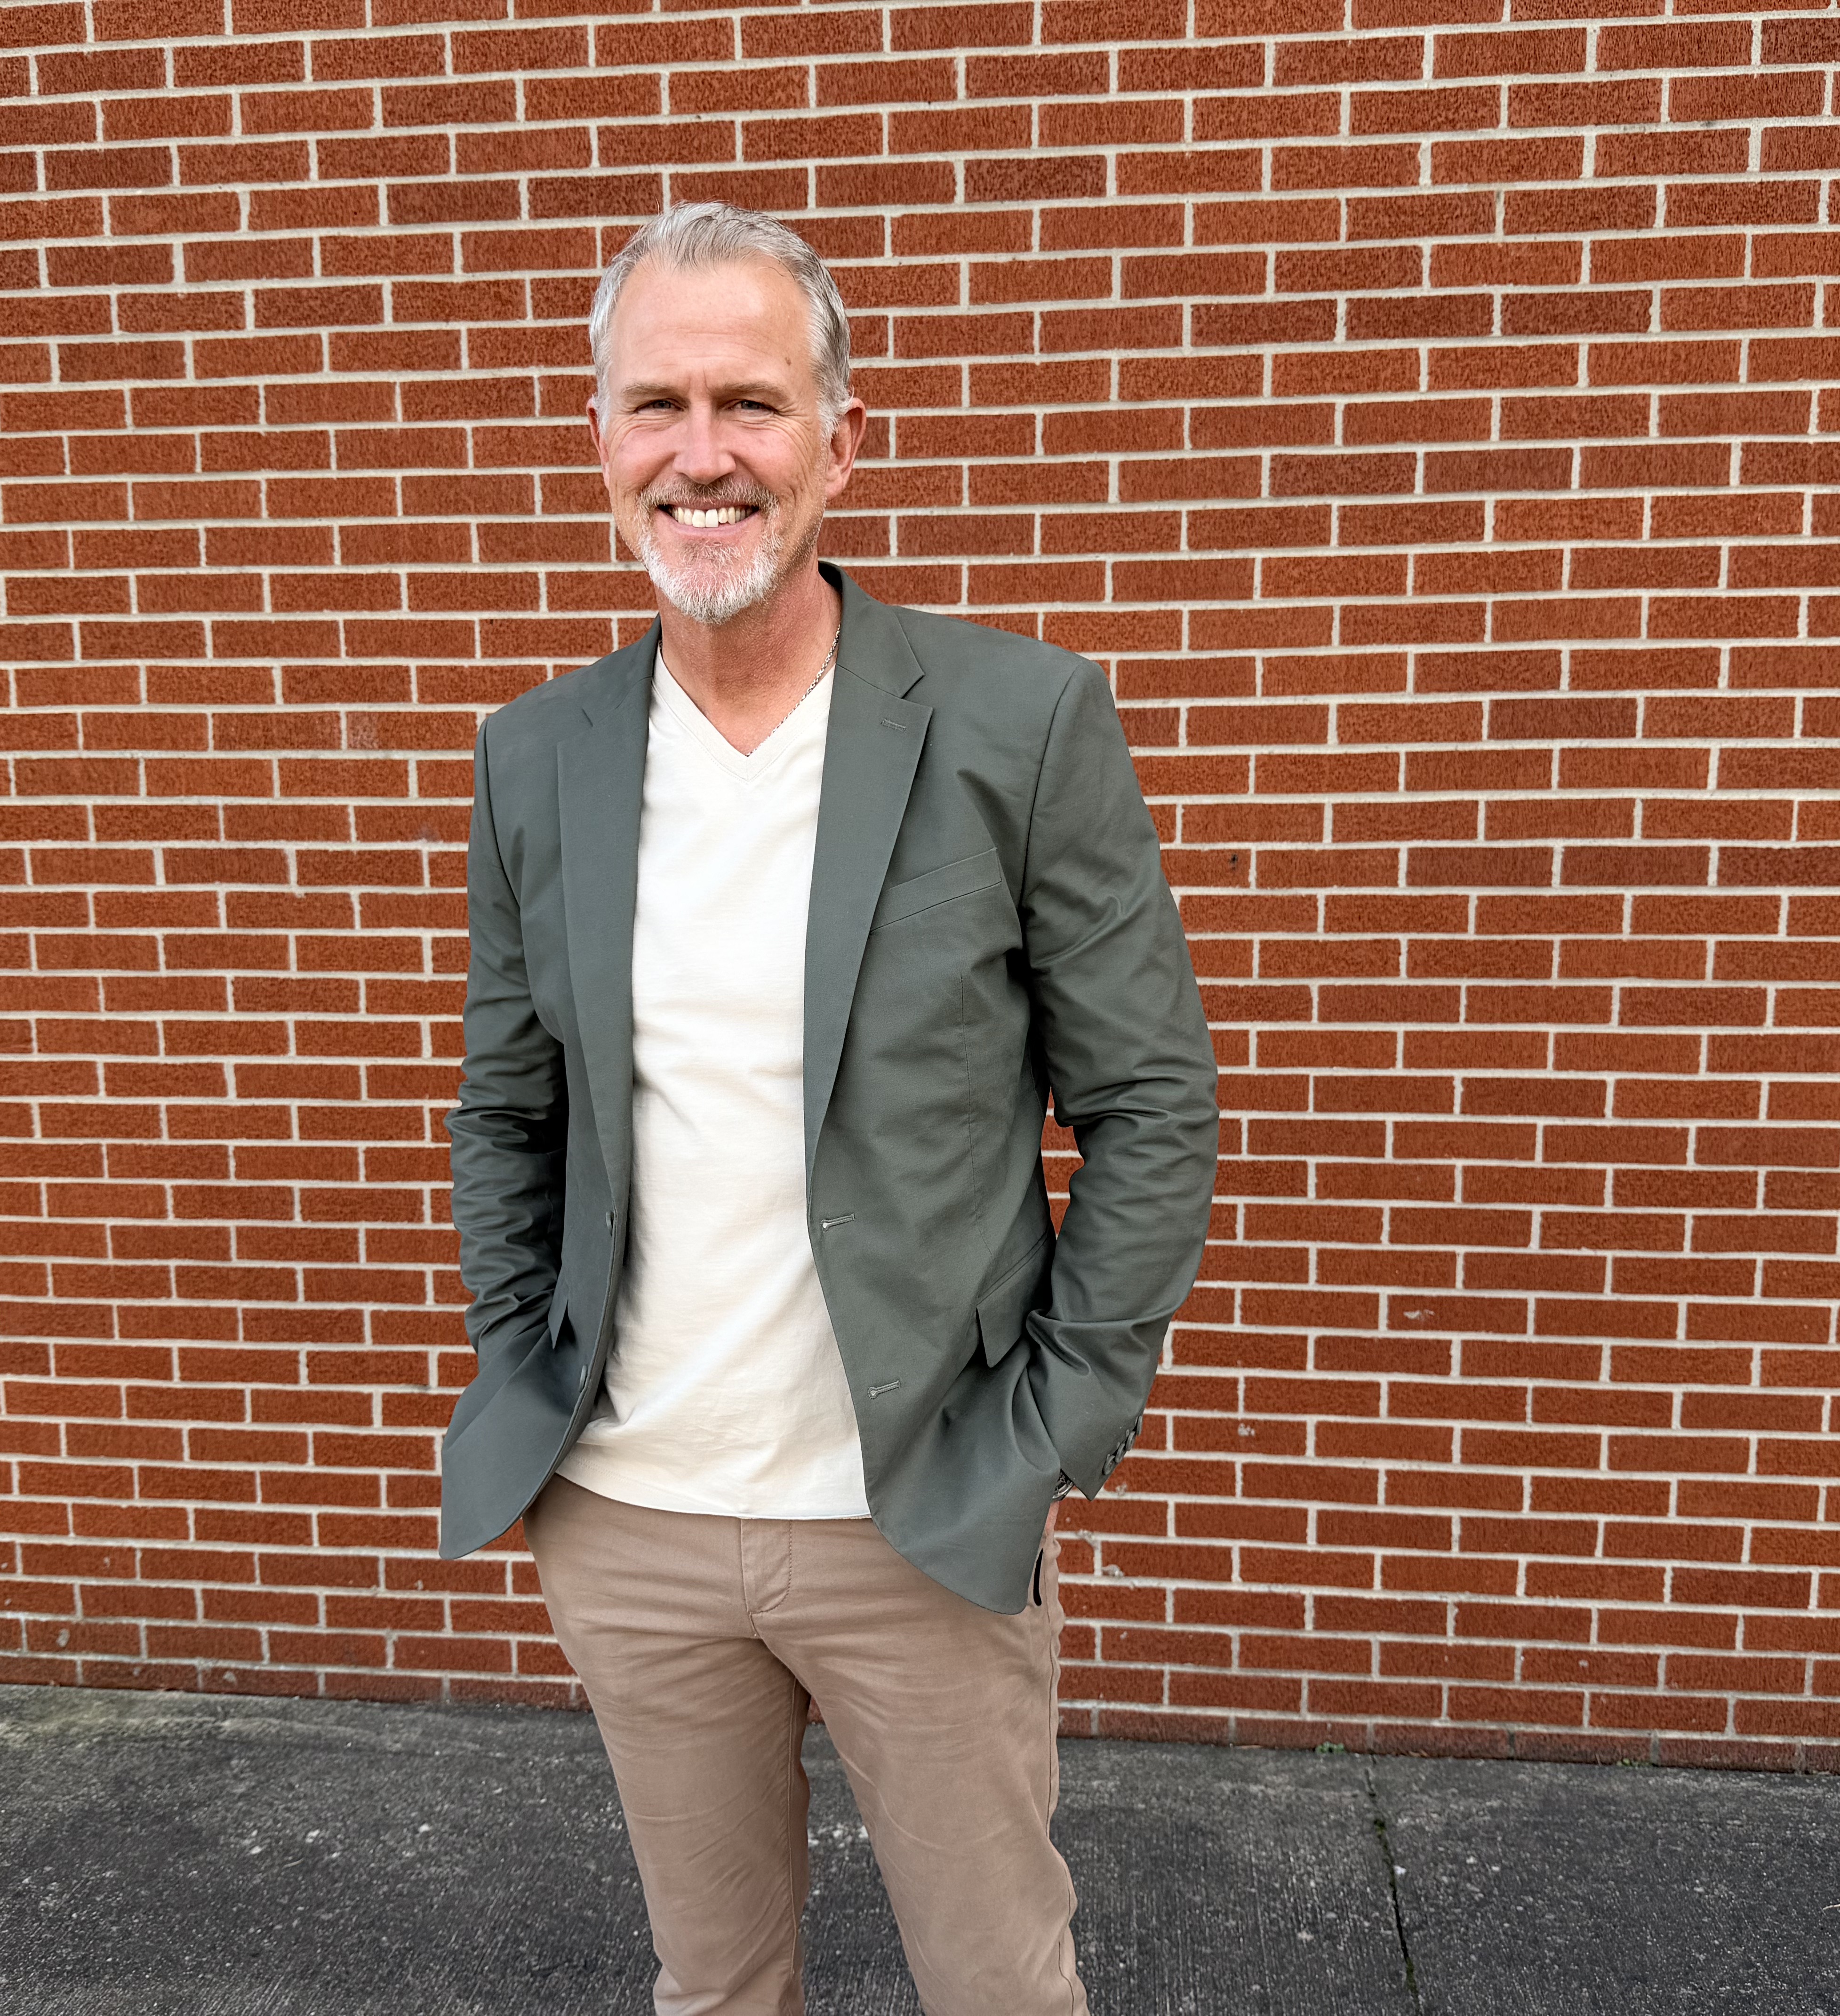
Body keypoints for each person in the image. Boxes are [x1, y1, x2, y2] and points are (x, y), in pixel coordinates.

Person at [440, 202, 1218, 2016]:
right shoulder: (537, 755)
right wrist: (521, 1349)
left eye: (752, 403)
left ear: (841, 441)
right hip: (630, 1508)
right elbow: (507, 1106)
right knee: (715, 1987)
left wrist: (1054, 1422)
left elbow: (1151, 1098)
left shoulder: (1020, 720)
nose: (702, 454)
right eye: (658, 405)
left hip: (920, 1507)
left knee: (1001, 1987)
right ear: (601, 439)